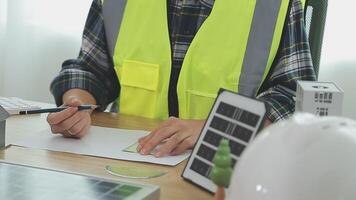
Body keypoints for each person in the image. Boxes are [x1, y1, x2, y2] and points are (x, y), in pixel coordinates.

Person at [47, 0, 315, 157]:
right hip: (132, 166)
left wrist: (216, 127)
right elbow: (91, 68)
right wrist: (75, 105)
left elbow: (294, 98)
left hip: (227, 172)